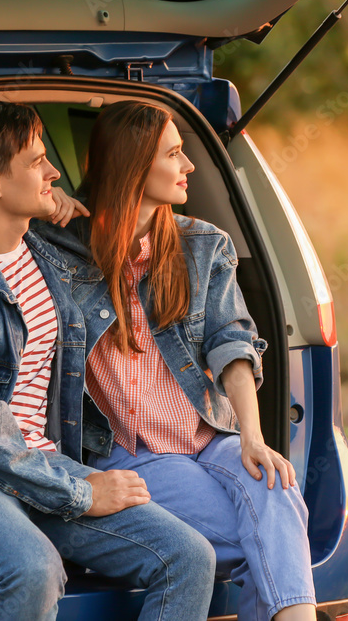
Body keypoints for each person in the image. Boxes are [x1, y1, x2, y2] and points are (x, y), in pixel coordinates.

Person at [0, 99, 216, 621]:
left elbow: (114, 231)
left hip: (43, 461)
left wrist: (56, 206)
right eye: (38, 162)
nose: (55, 172)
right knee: (35, 569)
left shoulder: (43, 251)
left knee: (190, 557)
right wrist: (79, 492)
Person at [38, 100, 317, 621]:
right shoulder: (57, 245)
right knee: (264, 540)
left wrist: (252, 438)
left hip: (210, 436)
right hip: (132, 454)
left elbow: (232, 344)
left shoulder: (202, 244)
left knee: (277, 488)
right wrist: (38, 203)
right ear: (133, 165)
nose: (189, 166)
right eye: (175, 153)